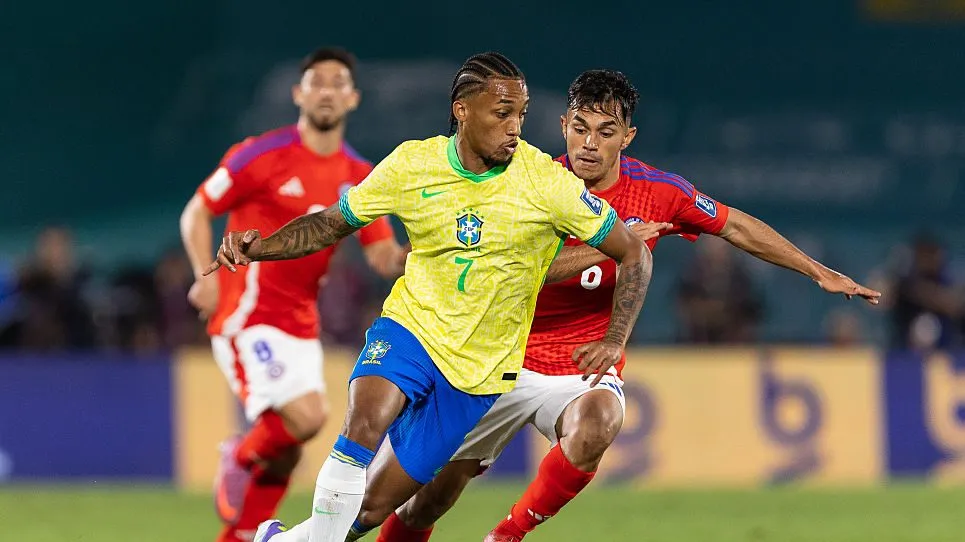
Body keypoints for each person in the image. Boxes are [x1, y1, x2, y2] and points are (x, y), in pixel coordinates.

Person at [377, 69, 882, 542]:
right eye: (579, 128)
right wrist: (615, 243)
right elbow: (517, 270)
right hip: (501, 359)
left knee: (599, 421)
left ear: (627, 137)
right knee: (426, 503)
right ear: (562, 126)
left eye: (605, 130)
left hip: (583, 365)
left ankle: (505, 535)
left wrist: (819, 272)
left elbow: (734, 225)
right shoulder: (530, 185)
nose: (589, 144)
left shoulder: (659, 192)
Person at [203, 52, 656, 542]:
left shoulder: (546, 183)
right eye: (502, 114)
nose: (515, 128)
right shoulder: (412, 164)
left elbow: (634, 253)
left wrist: (615, 338)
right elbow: (334, 222)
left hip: (478, 372)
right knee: (365, 423)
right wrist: (264, 247)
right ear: (463, 110)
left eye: (521, 115)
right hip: (410, 331)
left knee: (371, 511)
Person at [179, 47, 407, 542]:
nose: (327, 90)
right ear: (299, 94)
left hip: (301, 323)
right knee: (306, 418)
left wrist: (426, 255)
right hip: (248, 311)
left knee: (287, 448)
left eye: (337, 82)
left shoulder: (361, 177)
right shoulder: (260, 155)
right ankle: (237, 456)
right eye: (316, 81)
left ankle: (239, 534)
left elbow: (382, 256)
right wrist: (204, 276)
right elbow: (197, 210)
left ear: (353, 99)